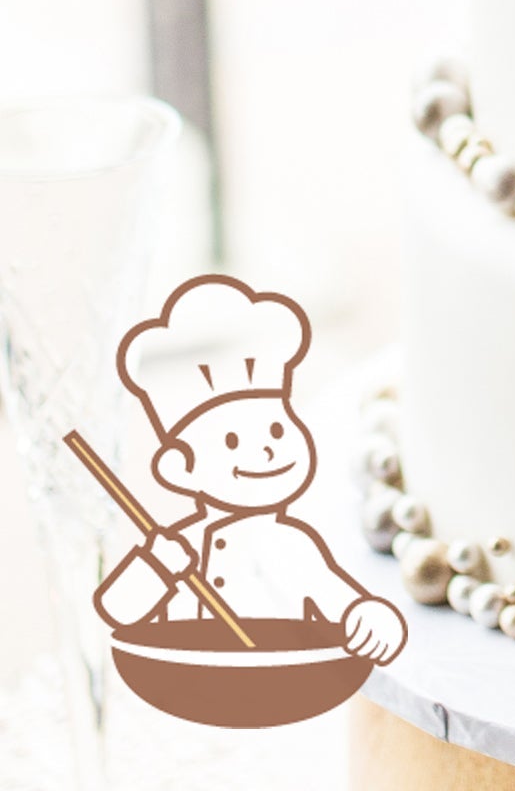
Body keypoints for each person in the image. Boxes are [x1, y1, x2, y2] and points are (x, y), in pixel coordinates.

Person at [94, 274, 406, 662]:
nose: (266, 451)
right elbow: (119, 610)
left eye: (276, 429)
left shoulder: (292, 543)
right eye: (231, 442)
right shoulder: (180, 547)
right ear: (179, 469)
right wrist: (156, 565)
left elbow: (334, 596)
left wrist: (365, 614)